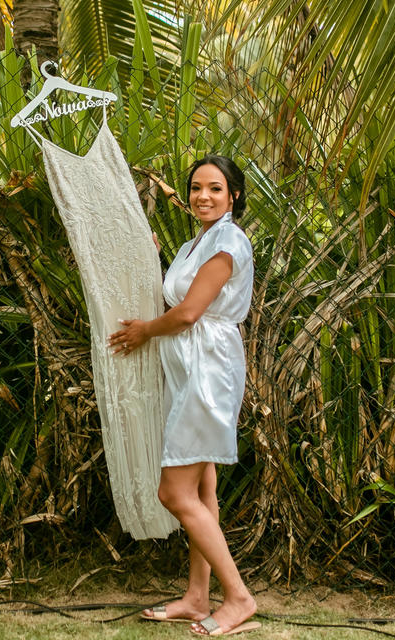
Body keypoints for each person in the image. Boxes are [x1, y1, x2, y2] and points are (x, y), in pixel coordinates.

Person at [109, 155, 259, 637]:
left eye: (215, 189)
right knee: (202, 488)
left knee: (174, 492)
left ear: (233, 195)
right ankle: (198, 597)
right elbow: (177, 292)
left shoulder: (228, 241)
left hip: (207, 368)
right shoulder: (194, 242)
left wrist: (145, 332)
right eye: (196, 188)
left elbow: (190, 311)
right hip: (188, 366)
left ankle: (238, 597)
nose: (203, 197)